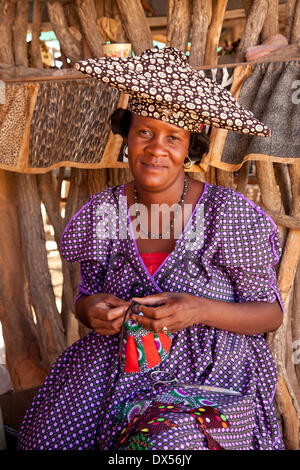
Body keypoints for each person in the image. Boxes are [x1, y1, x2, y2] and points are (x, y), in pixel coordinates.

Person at [18, 47, 284, 450]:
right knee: (52, 437)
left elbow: (270, 314)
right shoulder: (104, 212)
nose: (157, 148)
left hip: (209, 376)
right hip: (110, 370)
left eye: (173, 137)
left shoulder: (228, 215)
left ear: (189, 146)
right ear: (127, 135)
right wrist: (92, 311)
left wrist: (201, 309)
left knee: (164, 444)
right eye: (145, 132)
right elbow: (84, 297)